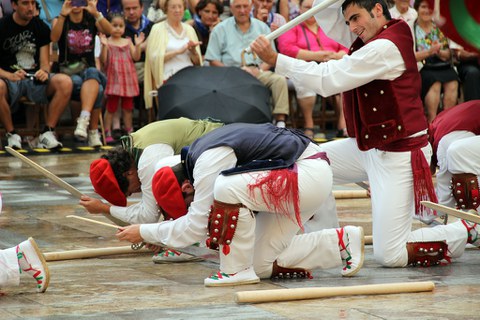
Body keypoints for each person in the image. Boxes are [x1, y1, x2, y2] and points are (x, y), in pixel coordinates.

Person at [250, 0, 480, 269]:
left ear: (379, 10)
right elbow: (329, 16)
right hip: (369, 148)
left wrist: (277, 60)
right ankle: (331, 239)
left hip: (398, 154)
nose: (352, 27)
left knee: (389, 254)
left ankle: (463, 231)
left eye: (356, 18)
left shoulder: (386, 46)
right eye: (349, 21)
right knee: (309, 163)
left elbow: (328, 79)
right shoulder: (371, 32)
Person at [116, 123, 363, 286]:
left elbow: (196, 226)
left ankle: (235, 271)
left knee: (225, 187)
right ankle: (341, 241)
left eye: (188, 204)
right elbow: (201, 225)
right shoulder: (198, 158)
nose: (193, 207)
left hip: (305, 173)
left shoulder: (206, 163)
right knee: (260, 264)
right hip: (301, 176)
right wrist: (160, 236)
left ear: (186, 187)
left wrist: (144, 231)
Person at [80, 118, 223, 262]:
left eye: (129, 191)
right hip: (215, 146)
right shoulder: (136, 147)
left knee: (171, 193)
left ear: (128, 174)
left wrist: (105, 208)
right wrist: (154, 235)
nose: (136, 192)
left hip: (220, 152)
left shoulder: (148, 159)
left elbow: (148, 216)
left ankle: (191, 243)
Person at [0, 0, 72, 150]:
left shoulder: (40, 26)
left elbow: (45, 62)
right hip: (10, 80)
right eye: (25, 3)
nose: (30, 7)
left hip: (34, 79)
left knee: (65, 82)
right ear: (14, 5)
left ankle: (47, 132)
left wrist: (44, 72)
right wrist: (9, 75)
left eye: (33, 3)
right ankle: (11, 133)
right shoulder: (3, 26)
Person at [205, 0, 289, 127]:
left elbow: (270, 57)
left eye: (245, 6)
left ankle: (280, 122)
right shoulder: (220, 29)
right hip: (230, 74)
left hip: (257, 72)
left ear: (251, 7)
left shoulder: (262, 27)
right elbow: (212, 59)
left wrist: (259, 70)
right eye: (238, 7)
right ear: (231, 8)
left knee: (279, 80)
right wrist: (235, 72)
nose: (242, 10)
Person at [277, 0, 347, 138]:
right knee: (306, 80)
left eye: (313, 7)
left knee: (346, 80)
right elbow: (286, 49)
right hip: (303, 67)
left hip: (331, 65)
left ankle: (343, 125)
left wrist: (337, 55)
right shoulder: (293, 25)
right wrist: (316, 55)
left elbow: (346, 46)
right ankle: (309, 125)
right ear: (299, 9)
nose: (310, 11)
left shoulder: (329, 26)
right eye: (306, 7)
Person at [50, 0, 112, 147]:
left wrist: (96, 13)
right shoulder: (61, 19)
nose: (76, 4)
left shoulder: (90, 18)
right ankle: (92, 132)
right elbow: (53, 38)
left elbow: (109, 31)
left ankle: (83, 121)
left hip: (88, 70)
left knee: (92, 73)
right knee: (96, 88)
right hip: (68, 71)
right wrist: (63, 15)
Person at [143, 0, 202, 110]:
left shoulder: (189, 29)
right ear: (166, 9)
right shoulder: (157, 29)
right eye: (173, 7)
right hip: (168, 76)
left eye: (180, 7)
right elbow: (153, 59)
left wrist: (193, 51)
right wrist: (178, 52)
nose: (177, 10)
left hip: (189, 76)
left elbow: (198, 63)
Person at [99, 13, 144, 143]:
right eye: (114, 25)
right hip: (114, 79)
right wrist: (104, 46)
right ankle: (106, 131)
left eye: (121, 26)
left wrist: (138, 45)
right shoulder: (108, 42)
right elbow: (103, 60)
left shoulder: (128, 41)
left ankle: (129, 131)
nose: (118, 28)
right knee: (111, 107)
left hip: (127, 80)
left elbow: (136, 57)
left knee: (128, 108)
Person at [428, 100, 480, 211]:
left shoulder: (441, 142)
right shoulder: (437, 123)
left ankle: (474, 219)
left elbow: (444, 200)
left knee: (458, 154)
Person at [413, 0, 458, 123]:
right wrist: (429, 52)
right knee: (435, 84)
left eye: (429, 7)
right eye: (423, 7)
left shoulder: (439, 27)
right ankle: (432, 122)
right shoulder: (412, 27)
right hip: (424, 66)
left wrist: (439, 52)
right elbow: (410, 56)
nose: (427, 10)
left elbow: (449, 54)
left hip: (442, 64)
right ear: (417, 9)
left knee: (453, 82)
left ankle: (447, 122)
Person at [121, 0, 154, 128]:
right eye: (127, 9)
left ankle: (153, 121)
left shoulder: (151, 26)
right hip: (126, 68)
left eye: (134, 8)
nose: (131, 12)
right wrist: (143, 45)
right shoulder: (119, 26)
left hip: (148, 67)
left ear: (142, 8)